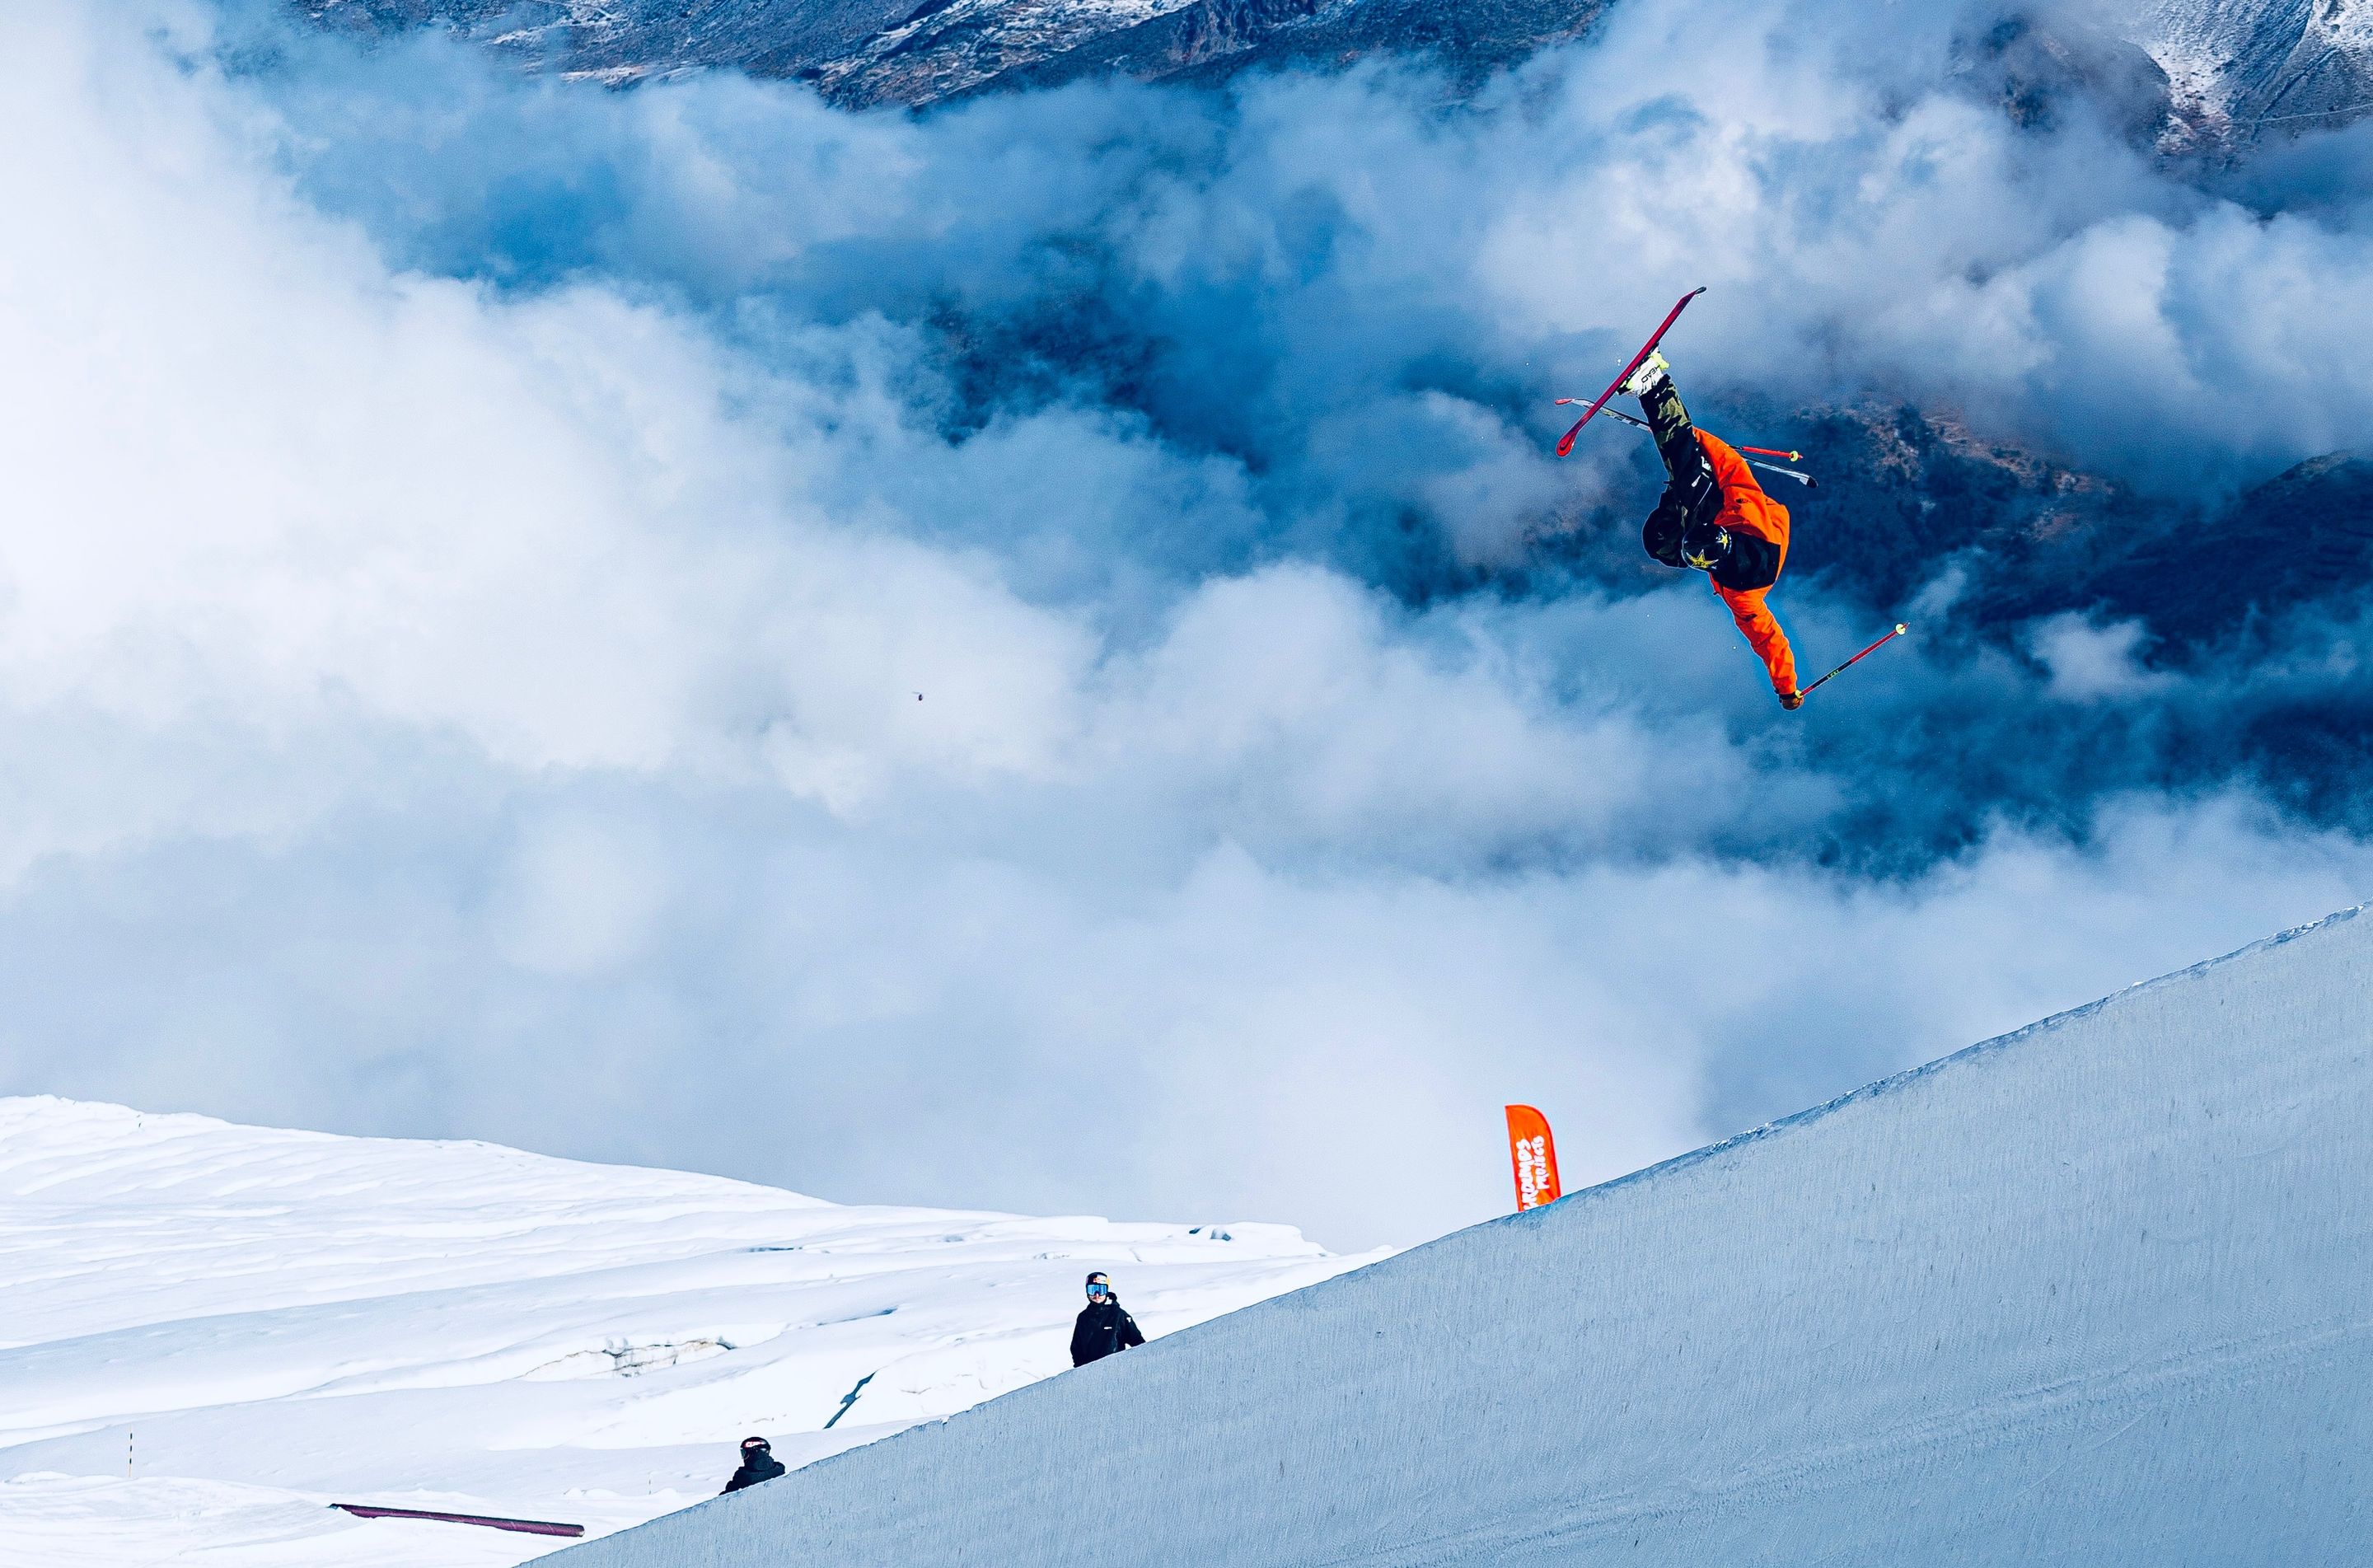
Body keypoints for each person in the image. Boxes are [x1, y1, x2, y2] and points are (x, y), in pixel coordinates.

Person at [1627, 351, 1802, 709]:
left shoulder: (1742, 596)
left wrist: (1786, 689)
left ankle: (1683, 479)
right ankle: (1656, 384)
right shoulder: (1744, 508)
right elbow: (1729, 461)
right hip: (1749, 520)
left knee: (1658, 544)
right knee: (1689, 477)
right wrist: (1692, 439)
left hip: (1722, 529)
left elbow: (1769, 642)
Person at [1069, 1271, 1144, 1367]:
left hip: (1114, 1370)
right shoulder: (1083, 1317)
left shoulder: (1118, 1315)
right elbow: (1076, 1347)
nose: (1097, 1295)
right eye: (1093, 1290)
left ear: (1107, 1291)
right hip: (1089, 1372)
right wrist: (1079, 1369)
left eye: (1101, 1290)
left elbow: (1138, 1343)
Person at [720, 1435, 786, 1495]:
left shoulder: (742, 1476)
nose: (744, 1457)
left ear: (753, 1453)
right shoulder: (779, 1469)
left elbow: (725, 1498)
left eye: (745, 1453)